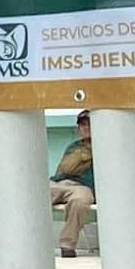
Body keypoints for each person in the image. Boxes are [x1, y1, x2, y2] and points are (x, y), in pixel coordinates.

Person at [50, 111, 99, 260]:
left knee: (79, 202)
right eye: (82, 125)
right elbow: (65, 169)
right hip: (59, 184)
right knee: (32, 195)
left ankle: (67, 245)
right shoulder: (73, 147)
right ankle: (28, 242)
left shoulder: (107, 145)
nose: (86, 128)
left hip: (83, 187)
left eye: (89, 124)